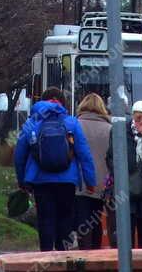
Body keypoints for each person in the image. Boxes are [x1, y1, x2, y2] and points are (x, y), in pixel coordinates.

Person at [15, 88, 97, 251]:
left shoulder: (31, 123)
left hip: (40, 180)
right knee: (65, 219)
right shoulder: (72, 122)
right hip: (67, 181)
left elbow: (19, 155)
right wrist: (90, 181)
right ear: (62, 103)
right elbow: (84, 154)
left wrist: (22, 180)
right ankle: (63, 256)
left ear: (41, 102)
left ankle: (45, 256)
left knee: (45, 219)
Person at [106, 100, 142, 248]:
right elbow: (110, 157)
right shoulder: (120, 132)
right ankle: (128, 264)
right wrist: (119, 174)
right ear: (132, 116)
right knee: (127, 230)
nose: (141, 122)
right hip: (126, 190)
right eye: (138, 118)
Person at [74, 93, 112, 249]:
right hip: (102, 183)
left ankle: (84, 256)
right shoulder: (110, 129)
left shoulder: (75, 125)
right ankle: (96, 255)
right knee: (96, 220)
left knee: (83, 221)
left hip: (80, 182)